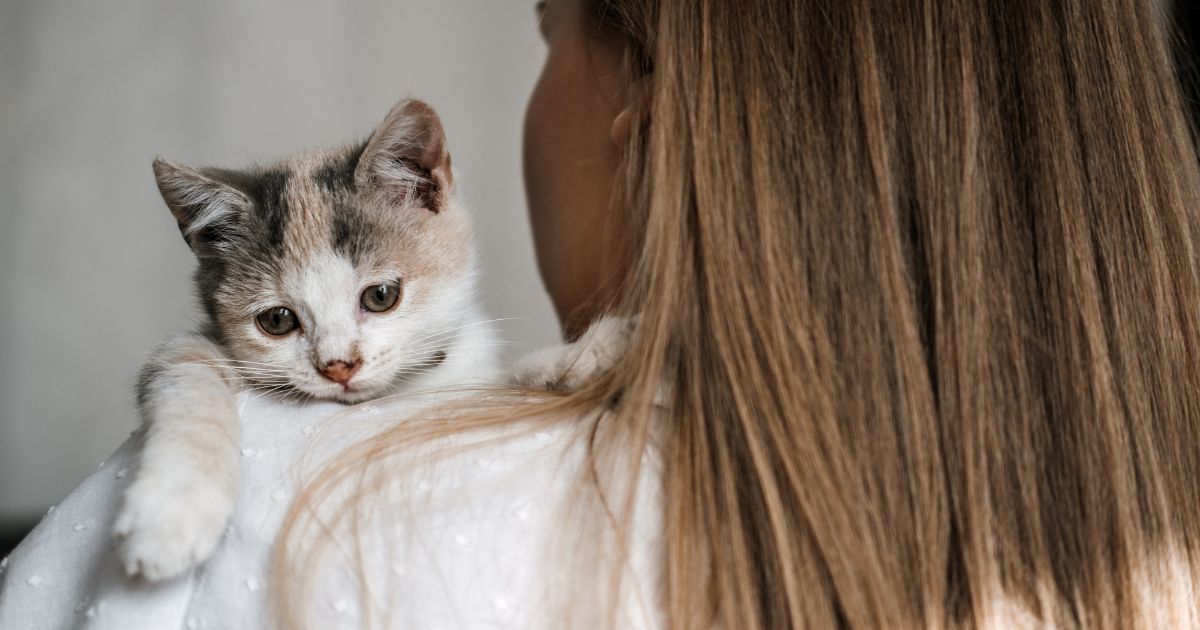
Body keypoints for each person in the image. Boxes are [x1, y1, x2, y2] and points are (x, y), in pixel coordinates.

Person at [4, 0, 1200, 628]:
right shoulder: (1155, 558)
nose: (340, 362)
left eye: (548, 26)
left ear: (642, 95)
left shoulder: (270, 492)